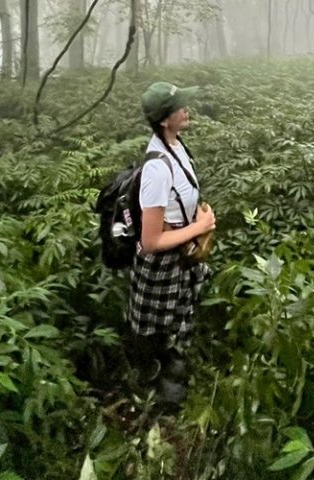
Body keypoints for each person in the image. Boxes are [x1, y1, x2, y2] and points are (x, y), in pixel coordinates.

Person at [127, 81, 216, 409]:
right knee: (162, 337)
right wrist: (199, 226)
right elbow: (150, 242)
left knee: (174, 331)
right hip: (162, 265)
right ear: (165, 120)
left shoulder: (176, 146)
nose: (187, 110)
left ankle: (166, 382)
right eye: (180, 107)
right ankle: (163, 403)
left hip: (180, 257)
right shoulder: (156, 170)